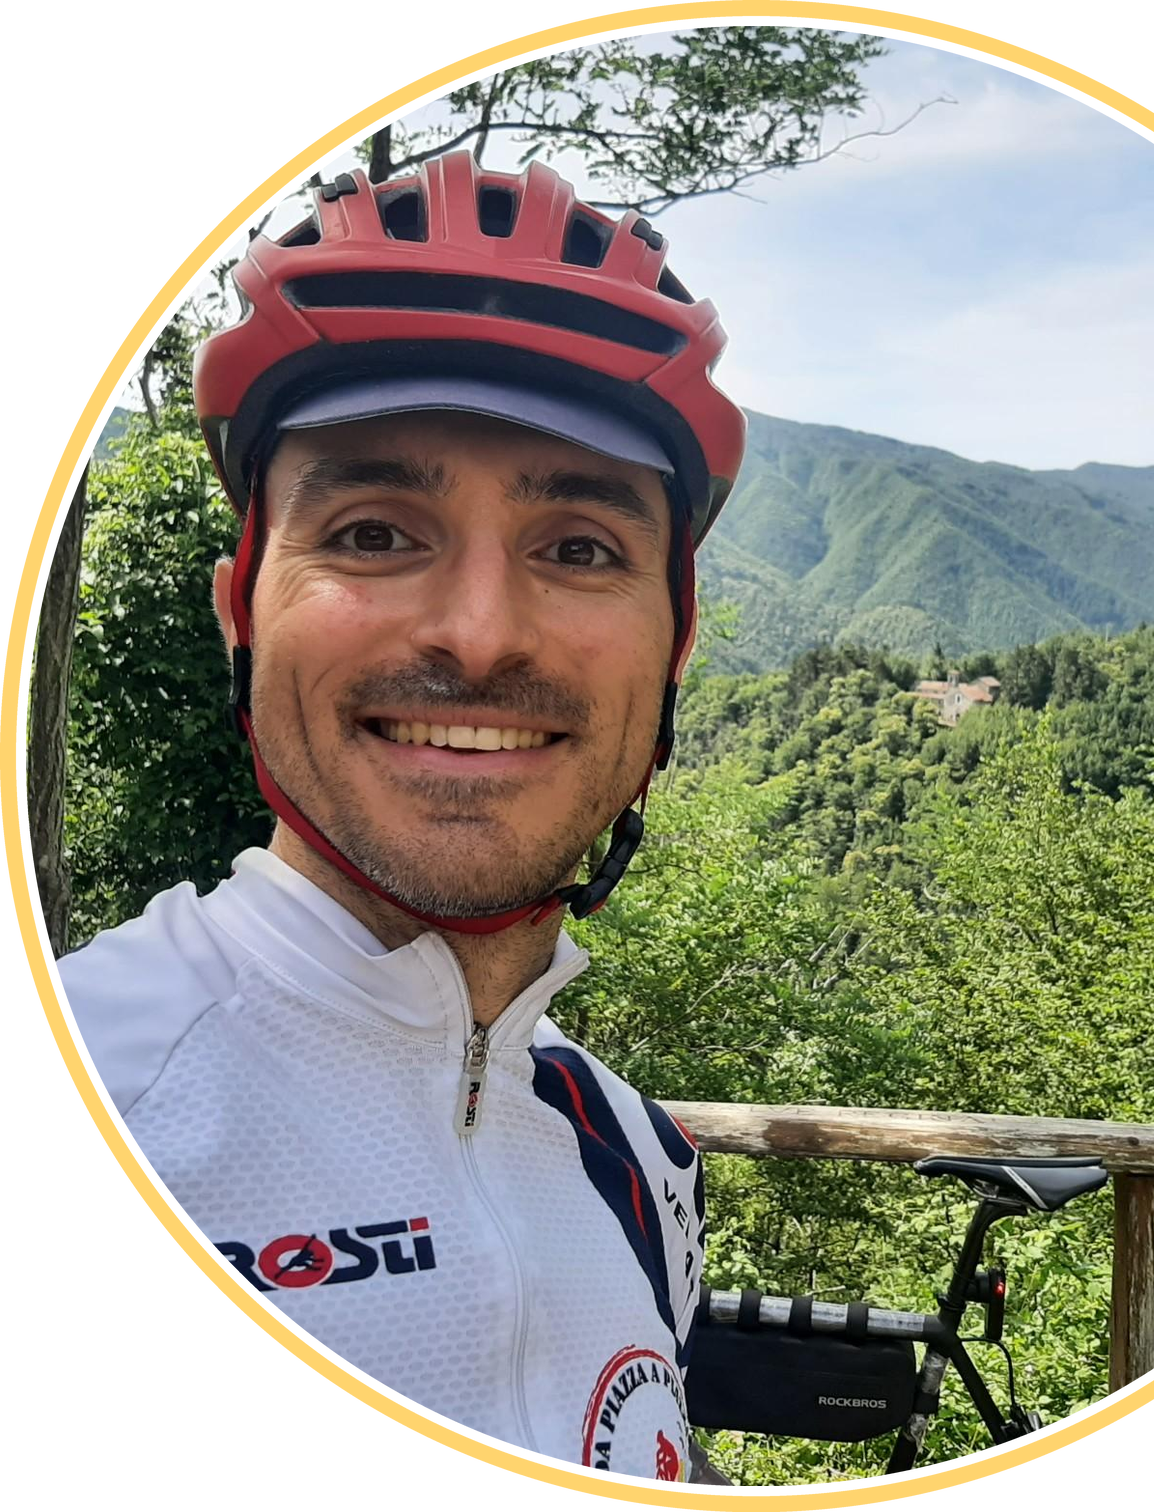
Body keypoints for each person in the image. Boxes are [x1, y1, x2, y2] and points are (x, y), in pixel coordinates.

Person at [58, 150, 746, 1482]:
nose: (480, 634)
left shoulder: (633, 1160)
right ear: (240, 614)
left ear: (674, 648)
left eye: (580, 549)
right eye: (373, 534)